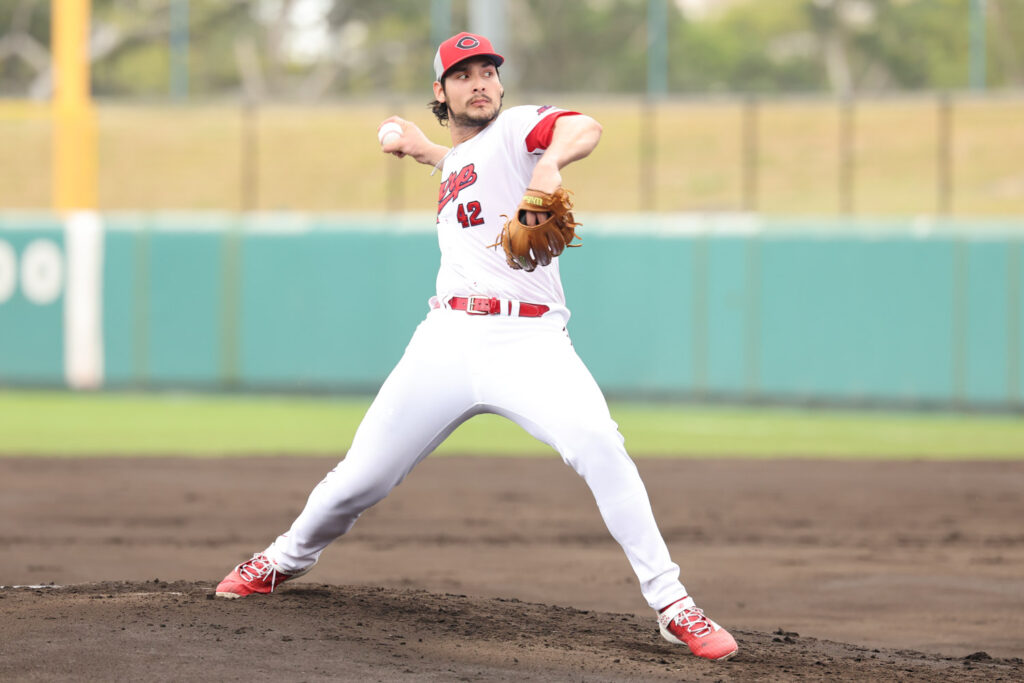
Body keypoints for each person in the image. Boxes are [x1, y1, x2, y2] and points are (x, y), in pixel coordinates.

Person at [215, 31, 738, 662]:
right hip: (447, 339)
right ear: (441, 92)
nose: (480, 82)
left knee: (600, 444)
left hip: (528, 340)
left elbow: (585, 127)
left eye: (488, 71)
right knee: (360, 478)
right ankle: (282, 560)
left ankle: (673, 604)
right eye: (463, 75)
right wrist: (423, 150)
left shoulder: (518, 130)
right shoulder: (464, 159)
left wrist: (549, 164)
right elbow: (469, 165)